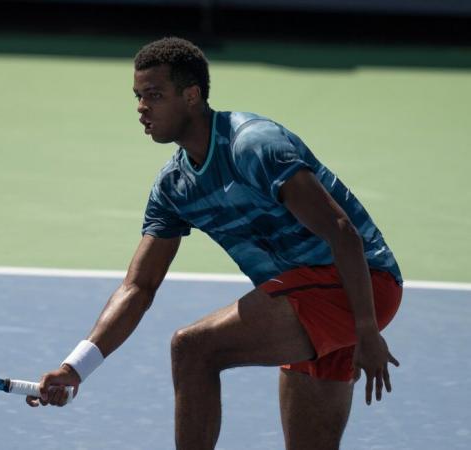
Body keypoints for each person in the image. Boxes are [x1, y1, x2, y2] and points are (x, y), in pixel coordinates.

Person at [25, 37, 403, 450]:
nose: (141, 108)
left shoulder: (253, 145)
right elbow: (138, 287)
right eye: (137, 96)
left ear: (191, 96)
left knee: (193, 349)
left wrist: (365, 329)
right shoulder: (174, 188)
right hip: (304, 297)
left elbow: (340, 231)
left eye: (154, 95)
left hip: (361, 284)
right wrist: (76, 368)